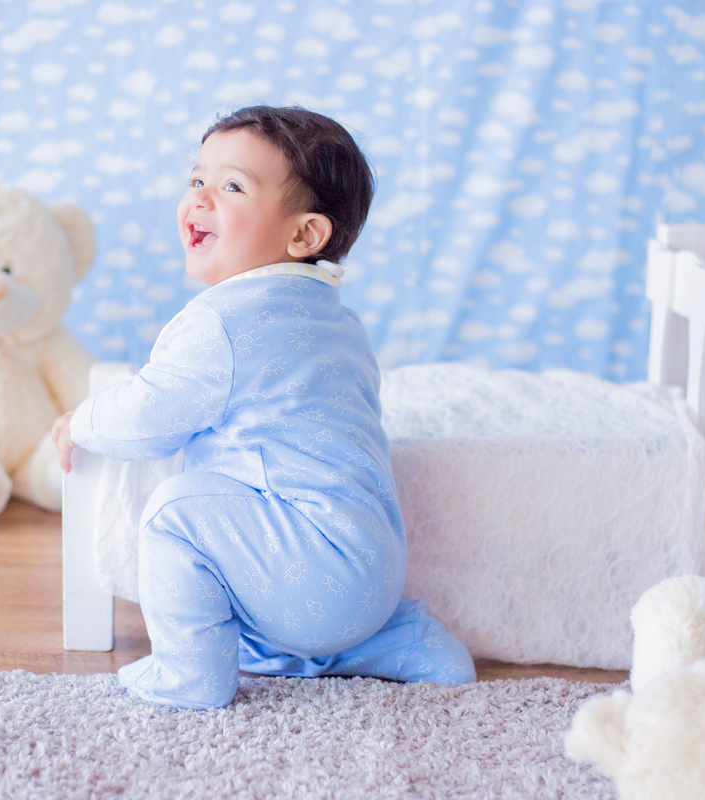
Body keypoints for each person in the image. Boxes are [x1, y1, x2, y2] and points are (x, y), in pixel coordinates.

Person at [51, 106, 474, 709]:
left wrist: (83, 420)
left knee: (176, 512)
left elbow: (151, 416)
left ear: (304, 235)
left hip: (307, 573)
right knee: (267, 565)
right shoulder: (339, 323)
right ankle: (395, 642)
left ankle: (189, 675)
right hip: (373, 574)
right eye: (197, 179)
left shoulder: (223, 322)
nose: (200, 199)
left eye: (231, 187)